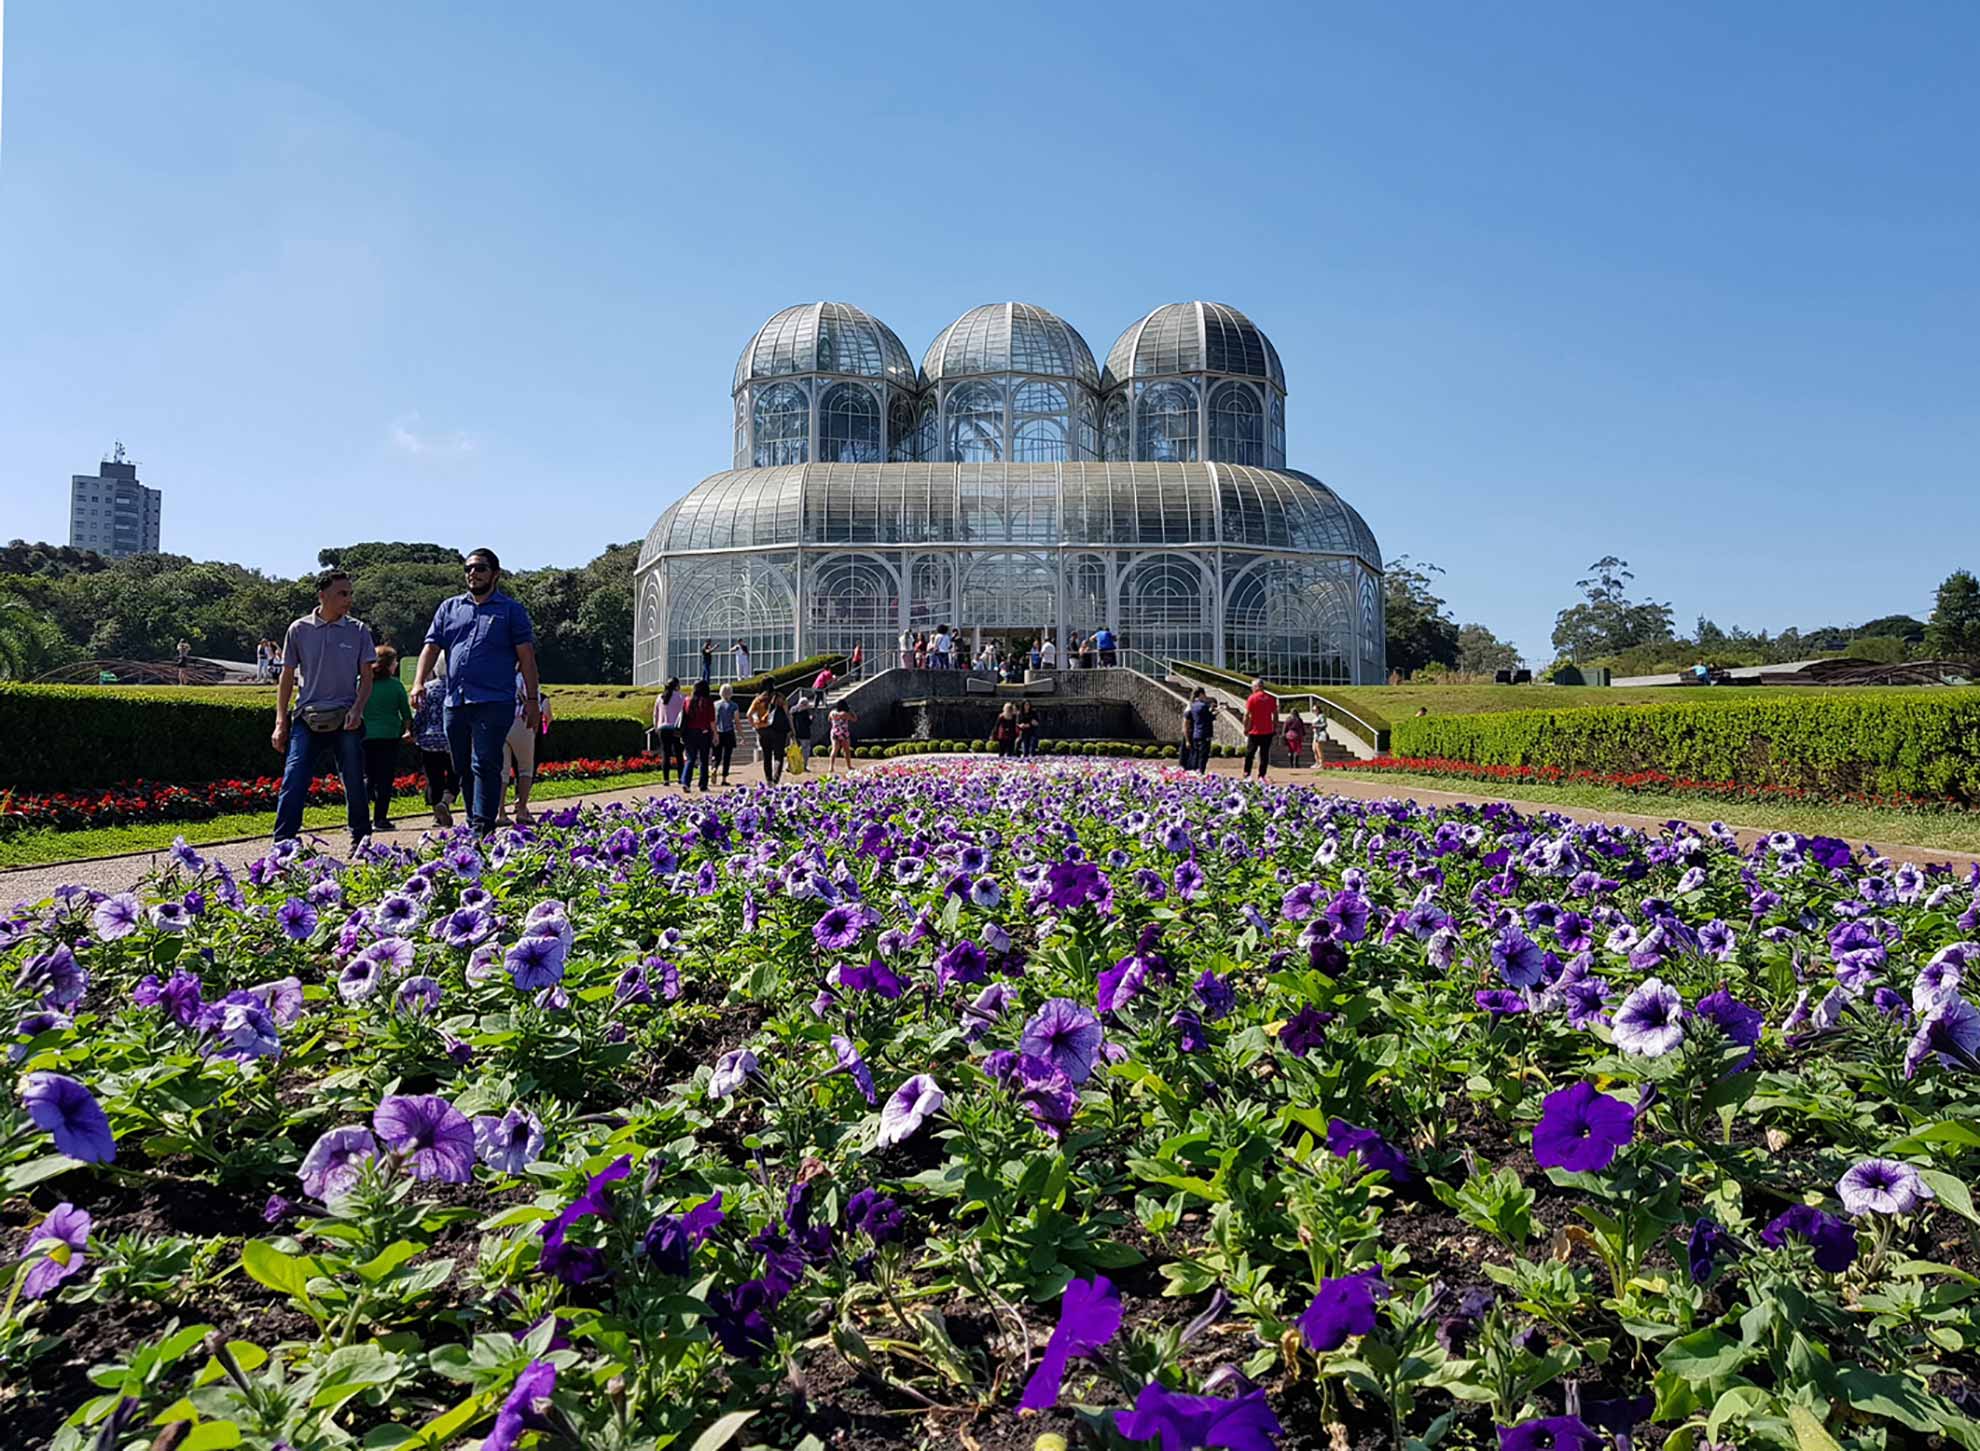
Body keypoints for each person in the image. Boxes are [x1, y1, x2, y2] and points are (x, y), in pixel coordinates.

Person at [410, 548, 539, 837]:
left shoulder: (510, 610)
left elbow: (527, 658)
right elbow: (431, 647)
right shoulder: (449, 608)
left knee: (485, 760)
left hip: (494, 701)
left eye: (480, 568)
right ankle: (473, 819)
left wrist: (532, 700)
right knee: (462, 765)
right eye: (468, 568)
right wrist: (419, 682)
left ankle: (483, 825)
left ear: (495, 574)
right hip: (455, 701)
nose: (473, 573)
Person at [271, 568, 375, 848]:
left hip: (345, 716)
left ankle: (361, 838)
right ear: (322, 595)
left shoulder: (358, 630)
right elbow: (287, 677)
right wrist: (281, 721)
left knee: (353, 779)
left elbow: (367, 677)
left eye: (350, 593)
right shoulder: (299, 629)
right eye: (342, 593)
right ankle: (282, 844)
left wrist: (358, 707)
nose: (348, 599)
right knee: (294, 778)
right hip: (307, 716)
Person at [361, 645, 413, 831]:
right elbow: (406, 712)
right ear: (390, 665)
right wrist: (407, 730)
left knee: (366, 777)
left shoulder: (362, 682)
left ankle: (360, 817)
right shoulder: (395, 685)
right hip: (389, 736)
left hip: (364, 735)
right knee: (385, 778)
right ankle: (380, 819)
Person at [409, 658, 457, 826]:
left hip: (429, 739)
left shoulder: (427, 688)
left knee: (433, 777)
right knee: (455, 774)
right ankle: (445, 801)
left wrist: (414, 733)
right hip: (452, 739)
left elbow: (420, 715)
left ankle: (437, 814)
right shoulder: (456, 687)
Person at [502, 668, 550, 824]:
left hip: (501, 723)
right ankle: (522, 809)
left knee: (502, 771)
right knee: (525, 768)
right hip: (522, 723)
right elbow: (536, 703)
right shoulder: (527, 677)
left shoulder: (499, 673)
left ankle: (500, 812)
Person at [751, 686, 791, 783]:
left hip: (763, 730)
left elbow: (750, 714)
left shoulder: (760, 699)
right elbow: (788, 715)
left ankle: (768, 779)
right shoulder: (780, 698)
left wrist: (755, 726)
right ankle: (775, 778)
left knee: (767, 756)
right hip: (779, 730)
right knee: (778, 756)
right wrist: (792, 730)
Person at [681, 679, 716, 792]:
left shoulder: (687, 700)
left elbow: (684, 717)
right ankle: (703, 785)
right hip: (704, 732)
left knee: (690, 758)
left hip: (689, 733)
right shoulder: (708, 701)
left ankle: (686, 782)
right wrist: (715, 734)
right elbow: (711, 720)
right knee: (704, 760)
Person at [1243, 678, 1278, 780]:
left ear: (1257, 687)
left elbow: (1247, 715)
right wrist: (1274, 726)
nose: (1252, 689)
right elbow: (1275, 714)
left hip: (1254, 731)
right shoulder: (1270, 698)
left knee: (1249, 753)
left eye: (1252, 687)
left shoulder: (1252, 698)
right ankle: (1261, 775)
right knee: (1264, 754)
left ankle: (1247, 773)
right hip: (1267, 731)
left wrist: (1246, 727)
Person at [653, 678, 685, 785]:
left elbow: (655, 714)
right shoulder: (681, 697)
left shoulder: (660, 698)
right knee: (679, 754)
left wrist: (656, 727)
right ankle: (681, 778)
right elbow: (684, 714)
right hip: (676, 728)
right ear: (676, 686)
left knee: (666, 753)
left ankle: (666, 779)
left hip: (663, 728)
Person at [1183, 687, 1215, 773]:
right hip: (1205, 734)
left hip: (1196, 734)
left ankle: (1194, 773)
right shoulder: (1204, 706)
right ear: (1201, 694)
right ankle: (1201, 773)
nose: (1205, 697)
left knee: (1196, 756)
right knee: (1203, 757)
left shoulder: (1192, 705)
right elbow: (1210, 718)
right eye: (1204, 695)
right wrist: (1217, 711)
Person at [714, 682, 739, 784]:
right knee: (727, 756)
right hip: (729, 732)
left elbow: (714, 720)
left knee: (717, 754)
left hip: (718, 732)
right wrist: (741, 734)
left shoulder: (715, 704)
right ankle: (724, 778)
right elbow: (737, 721)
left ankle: (714, 768)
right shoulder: (734, 705)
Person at [790, 687, 817, 761]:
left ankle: (790, 765)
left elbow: (791, 720)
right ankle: (804, 765)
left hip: (795, 733)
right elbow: (808, 723)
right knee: (805, 750)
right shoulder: (805, 712)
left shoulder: (793, 710)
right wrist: (811, 718)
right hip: (805, 734)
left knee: (793, 750)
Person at [828, 700, 855, 773]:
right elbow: (854, 719)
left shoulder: (832, 713)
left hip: (835, 731)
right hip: (844, 732)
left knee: (834, 749)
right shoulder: (845, 713)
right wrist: (851, 712)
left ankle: (831, 766)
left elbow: (829, 719)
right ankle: (849, 766)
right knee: (846, 750)